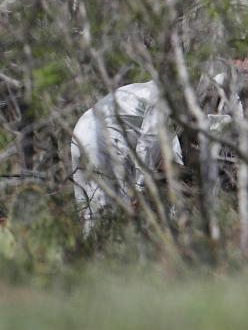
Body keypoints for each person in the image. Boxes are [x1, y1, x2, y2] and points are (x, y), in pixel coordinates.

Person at [70, 81, 183, 234]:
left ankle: (87, 253)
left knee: (91, 215)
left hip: (80, 132)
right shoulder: (165, 97)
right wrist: (140, 189)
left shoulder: (147, 89)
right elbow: (149, 143)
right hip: (102, 138)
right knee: (115, 217)